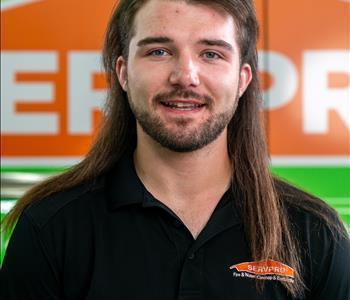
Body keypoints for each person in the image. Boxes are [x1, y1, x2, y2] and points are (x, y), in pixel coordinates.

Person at [1, 0, 349, 299]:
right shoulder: (51, 228)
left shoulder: (314, 232)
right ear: (122, 73)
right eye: (159, 51)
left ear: (242, 79)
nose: (185, 75)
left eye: (211, 53)